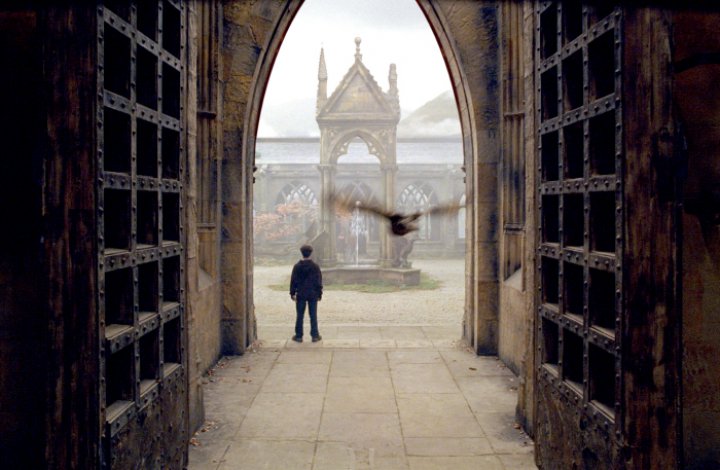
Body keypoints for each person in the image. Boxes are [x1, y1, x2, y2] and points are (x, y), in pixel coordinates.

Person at [289, 244, 323, 342]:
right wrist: (319, 293)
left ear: (302, 253)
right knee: (313, 315)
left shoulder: (297, 266)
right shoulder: (315, 266)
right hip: (312, 293)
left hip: (301, 293)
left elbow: (293, 280)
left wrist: (292, 293)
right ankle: (315, 335)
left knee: (300, 315)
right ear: (311, 253)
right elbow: (318, 281)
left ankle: (299, 336)